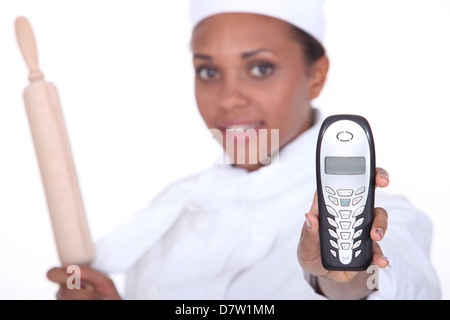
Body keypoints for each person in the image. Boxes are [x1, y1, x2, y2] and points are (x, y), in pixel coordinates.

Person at [47, 0, 441, 299]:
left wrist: (344, 276)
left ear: (316, 76)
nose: (229, 99)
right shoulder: (170, 217)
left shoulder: (382, 221)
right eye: (209, 71)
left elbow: (393, 283)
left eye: (260, 68)